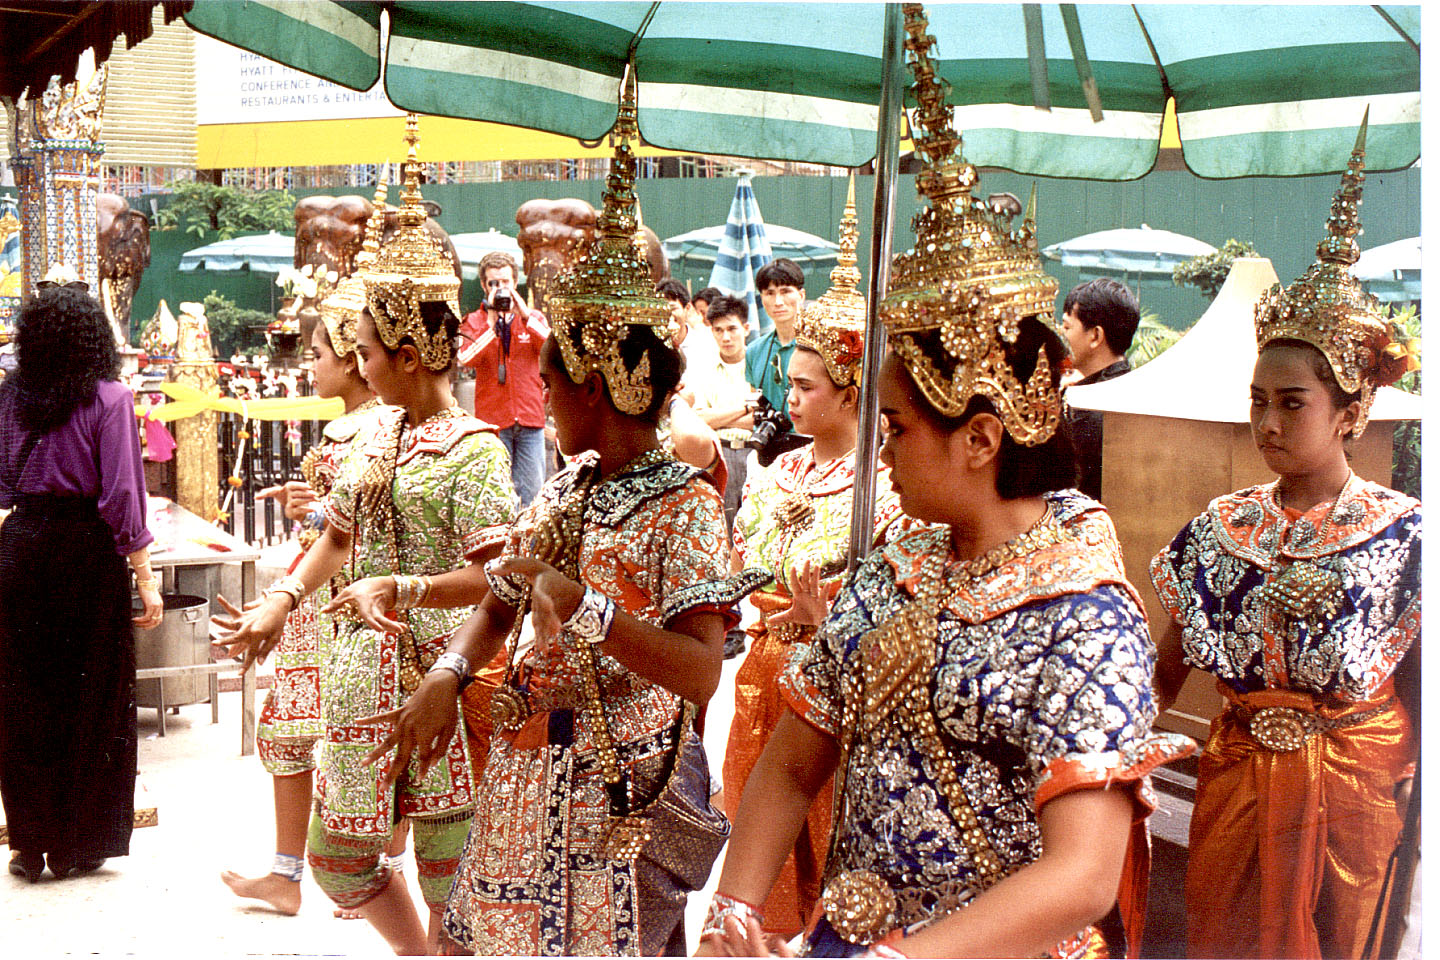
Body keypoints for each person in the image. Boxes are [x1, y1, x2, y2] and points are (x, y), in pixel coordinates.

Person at [701, 18, 1190, 956]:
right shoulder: (899, 566)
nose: (879, 448)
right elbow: (799, 752)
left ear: (979, 438)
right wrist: (736, 906)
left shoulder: (1084, 610)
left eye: (896, 426)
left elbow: (1083, 875)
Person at [366, 83, 762, 956]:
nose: (539, 392)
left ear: (607, 386)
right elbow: (506, 598)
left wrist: (583, 607)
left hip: (628, 791)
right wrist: (451, 670)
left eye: (555, 377)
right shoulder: (568, 484)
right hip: (527, 770)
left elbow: (699, 674)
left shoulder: (684, 507)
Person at [215, 120, 519, 956]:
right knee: (337, 859)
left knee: (451, 868)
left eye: (369, 348)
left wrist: (410, 590)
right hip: (360, 675)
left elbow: (502, 581)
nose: (361, 361)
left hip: (443, 677)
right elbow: (338, 533)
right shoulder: (377, 433)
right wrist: (281, 600)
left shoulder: (475, 451)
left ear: (414, 352)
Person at [1149, 119, 1421, 960]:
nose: (1267, 420)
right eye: (1258, 398)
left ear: (1352, 412)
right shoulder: (1221, 527)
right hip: (1233, 783)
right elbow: (1163, 669)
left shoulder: (1406, 536)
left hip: (1356, 791)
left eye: (1292, 402)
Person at [721, 184, 905, 944]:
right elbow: (743, 561)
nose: (789, 398)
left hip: (843, 686)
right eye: (789, 383)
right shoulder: (780, 472)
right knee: (758, 864)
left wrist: (827, 615)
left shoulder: (891, 488)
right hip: (766, 671)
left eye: (805, 385)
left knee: (835, 856)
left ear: (851, 389)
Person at [220, 190, 389, 917]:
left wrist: (317, 511)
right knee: (291, 733)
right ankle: (296, 873)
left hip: (343, 602)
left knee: (342, 736)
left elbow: (366, 523)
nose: (310, 363)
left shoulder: (381, 428)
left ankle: (346, 872)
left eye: (319, 352)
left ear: (357, 360)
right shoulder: (353, 425)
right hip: (315, 597)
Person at [0, 284, 163, 883]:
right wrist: (144, 575)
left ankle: (28, 843)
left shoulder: (10, 399)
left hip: (19, 549)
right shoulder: (110, 399)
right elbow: (121, 494)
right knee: (90, 695)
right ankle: (77, 842)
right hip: (85, 555)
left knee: (22, 696)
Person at [459, 250, 548, 506]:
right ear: (485, 286)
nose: (500, 288)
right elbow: (466, 359)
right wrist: (490, 324)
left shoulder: (532, 318)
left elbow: (552, 347)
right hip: (493, 423)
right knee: (497, 497)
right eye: (494, 283)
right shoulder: (475, 321)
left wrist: (525, 315)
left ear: (515, 282)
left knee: (533, 497)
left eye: (505, 282)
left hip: (530, 419)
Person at [1059, 278, 1139, 501]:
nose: (1060, 336)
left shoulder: (1086, 408)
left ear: (1095, 336)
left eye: (1066, 327)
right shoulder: (1135, 393)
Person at [691, 294, 758, 533]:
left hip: (755, 452)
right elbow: (699, 419)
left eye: (732, 328)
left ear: (746, 328)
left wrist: (717, 418)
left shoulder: (759, 364)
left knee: (754, 524)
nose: (726, 337)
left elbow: (757, 420)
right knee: (722, 524)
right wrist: (745, 407)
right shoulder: (704, 369)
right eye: (719, 330)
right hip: (719, 454)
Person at [746, 258, 805, 416]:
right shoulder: (754, 350)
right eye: (770, 293)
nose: (778, 302)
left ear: (801, 295)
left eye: (785, 292)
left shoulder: (815, 348)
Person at [660, 276, 720, 398]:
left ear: (687, 308)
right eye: (661, 309)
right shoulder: (653, 346)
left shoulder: (706, 343)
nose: (667, 315)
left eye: (673, 308)